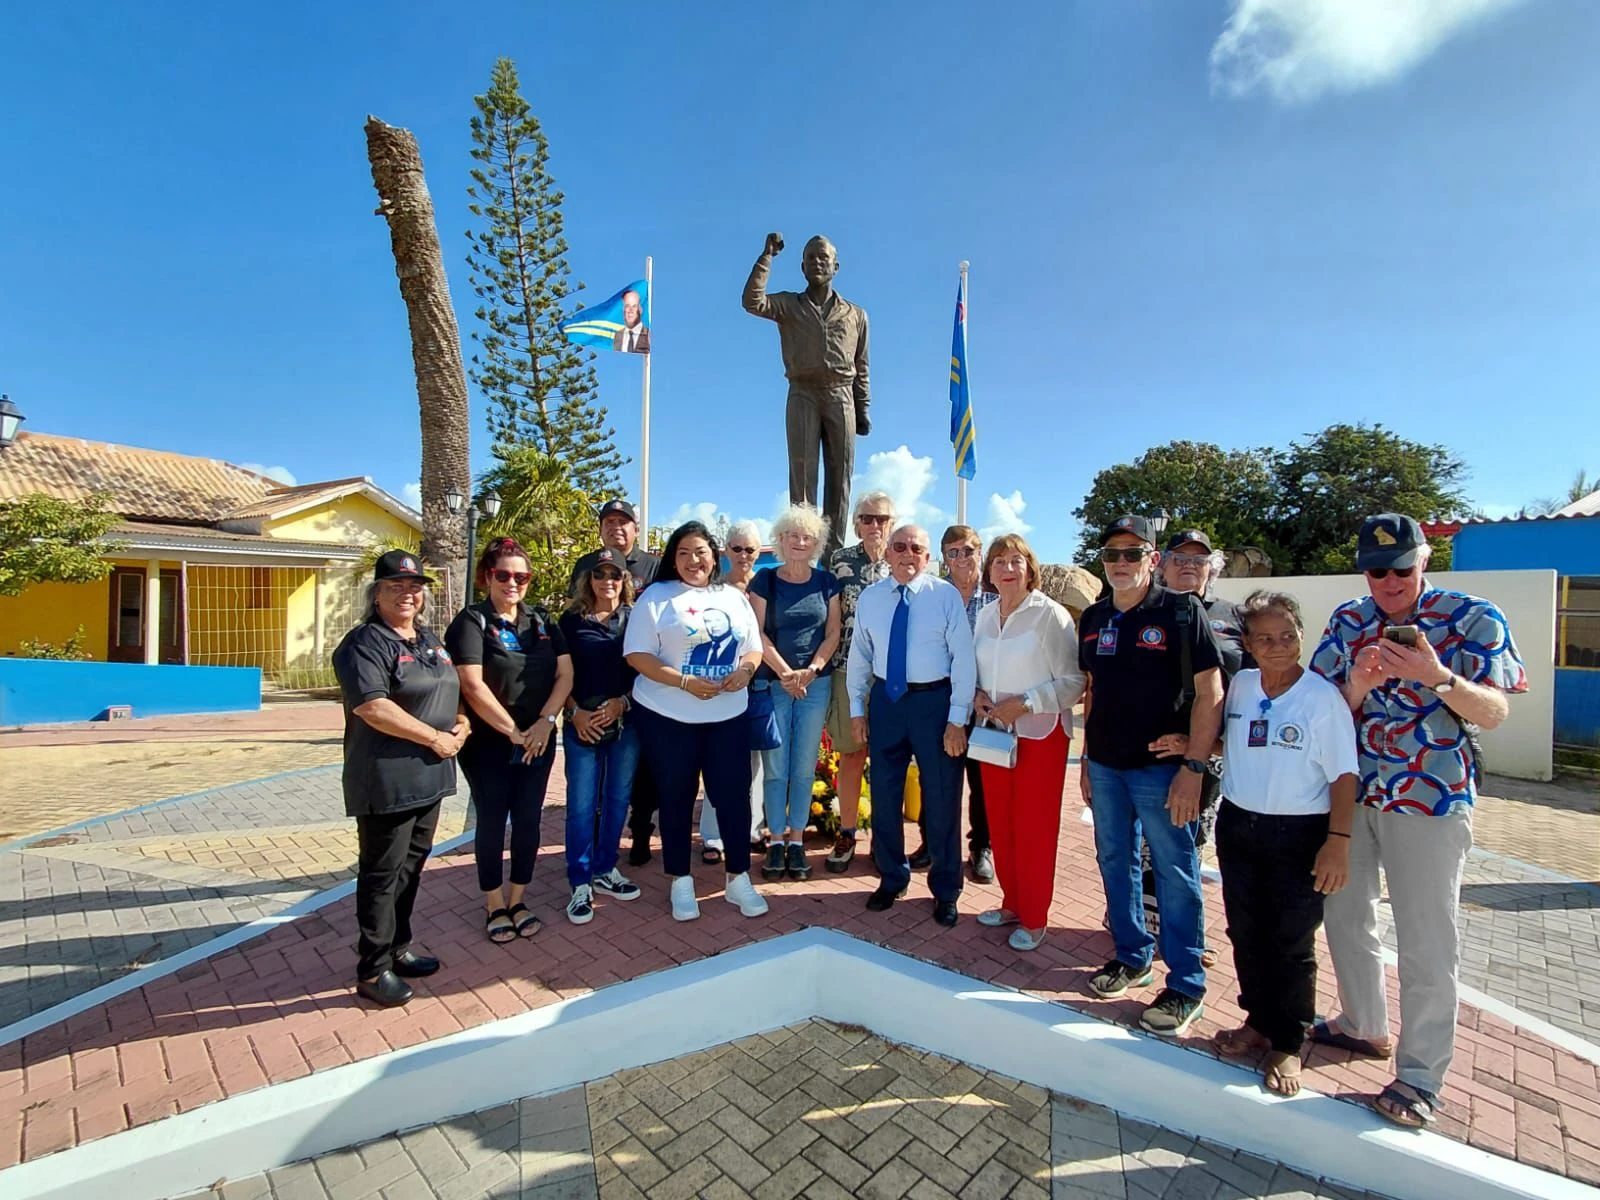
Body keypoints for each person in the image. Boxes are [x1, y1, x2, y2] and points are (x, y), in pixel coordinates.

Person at [1309, 513, 1526, 1128]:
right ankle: (1361, 1023)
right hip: (1355, 797)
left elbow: (1496, 712)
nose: (1389, 580)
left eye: (1401, 567)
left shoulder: (1473, 616)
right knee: (1345, 916)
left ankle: (1421, 1076)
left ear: (1424, 560)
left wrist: (1437, 677)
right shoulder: (1349, 620)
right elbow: (1327, 710)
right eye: (1376, 569)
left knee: (1429, 939)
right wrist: (1355, 685)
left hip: (1431, 802)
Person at [1203, 590, 1358, 1097]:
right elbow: (1235, 740)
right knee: (1245, 931)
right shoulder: (1244, 685)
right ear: (1247, 643)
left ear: (1300, 639)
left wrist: (1337, 841)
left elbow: (1343, 775)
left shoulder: (1321, 698)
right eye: (1265, 638)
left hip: (1299, 834)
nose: (1278, 646)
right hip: (1239, 825)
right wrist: (1192, 746)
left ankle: (1288, 1040)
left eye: (1288, 636)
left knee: (1290, 941)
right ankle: (1258, 1022)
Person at [1077, 514, 1224, 1037]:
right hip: (1107, 767)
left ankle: (1186, 984)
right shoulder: (1094, 618)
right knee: (1115, 860)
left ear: (1152, 560)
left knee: (1174, 869)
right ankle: (1132, 956)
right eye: (1112, 554)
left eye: (1133, 553)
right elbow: (1094, 690)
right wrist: (1089, 761)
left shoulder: (1182, 612)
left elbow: (1211, 693)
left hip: (1162, 772)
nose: (1121, 563)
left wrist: (1194, 767)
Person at [332, 550, 466, 1008]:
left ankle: (398, 948)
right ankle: (372, 969)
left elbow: (449, 687)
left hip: (430, 776)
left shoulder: (428, 639)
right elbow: (372, 706)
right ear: (377, 594)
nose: (408, 594)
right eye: (396, 587)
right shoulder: (364, 643)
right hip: (387, 779)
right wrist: (433, 737)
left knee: (411, 867)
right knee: (382, 873)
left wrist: (462, 723)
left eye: (414, 587)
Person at [623, 521, 770, 922]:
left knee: (733, 797)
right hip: (669, 716)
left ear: (715, 554)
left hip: (727, 714)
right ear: (673, 557)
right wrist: (683, 681)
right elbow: (637, 654)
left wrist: (744, 672)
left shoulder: (732, 597)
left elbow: (753, 647)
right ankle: (680, 881)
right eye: (683, 553)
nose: (693, 560)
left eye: (700, 551)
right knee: (675, 796)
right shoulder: (656, 596)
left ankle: (738, 878)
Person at [847, 523, 976, 927]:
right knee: (884, 795)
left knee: (941, 799)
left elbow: (964, 660)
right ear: (888, 553)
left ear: (927, 556)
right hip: (887, 701)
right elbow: (860, 655)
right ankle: (892, 876)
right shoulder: (871, 599)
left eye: (915, 548)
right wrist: (855, 707)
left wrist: (957, 718)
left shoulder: (945, 597)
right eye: (899, 546)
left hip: (934, 703)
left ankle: (946, 888)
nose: (907, 554)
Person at [446, 538, 573, 944]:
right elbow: (472, 684)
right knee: (491, 821)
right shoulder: (471, 621)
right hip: (490, 743)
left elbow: (565, 675)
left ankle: (518, 898)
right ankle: (493, 903)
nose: (513, 583)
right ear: (488, 576)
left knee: (528, 821)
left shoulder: (541, 620)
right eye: (503, 575)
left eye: (521, 576)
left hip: (538, 739)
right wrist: (513, 731)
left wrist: (544, 722)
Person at [971, 534, 1084, 951]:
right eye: (999, 561)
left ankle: (1035, 918)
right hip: (996, 734)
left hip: (1040, 734)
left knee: (1034, 827)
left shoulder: (1049, 615)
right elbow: (978, 670)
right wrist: (978, 696)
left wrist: (1028, 703)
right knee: (1001, 824)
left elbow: (1074, 682)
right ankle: (1012, 902)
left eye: (1016, 560)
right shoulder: (985, 616)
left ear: (1029, 568)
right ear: (990, 571)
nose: (1007, 568)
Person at [1154, 528, 1252, 966]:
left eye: (1199, 559)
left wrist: (1207, 747)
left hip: (1205, 755)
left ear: (1214, 566)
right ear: (1162, 564)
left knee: (1188, 847)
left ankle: (1185, 936)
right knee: (1144, 848)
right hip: (1149, 750)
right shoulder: (1143, 609)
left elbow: (1251, 687)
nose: (1189, 566)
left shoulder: (1235, 616)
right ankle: (1144, 927)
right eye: (1179, 558)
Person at [742, 232, 871, 555]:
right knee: (802, 475)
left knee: (840, 478)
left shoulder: (856, 314)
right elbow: (752, 301)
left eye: (823, 258)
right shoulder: (788, 304)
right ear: (802, 267)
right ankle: (804, 553)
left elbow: (862, 365)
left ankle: (834, 554)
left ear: (836, 266)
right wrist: (767, 257)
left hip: (841, 395)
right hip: (802, 392)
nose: (817, 263)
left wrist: (863, 408)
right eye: (811, 258)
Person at [749, 505, 842, 881]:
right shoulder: (764, 581)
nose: (800, 542)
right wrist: (787, 673)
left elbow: (832, 633)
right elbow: (757, 633)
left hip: (815, 685)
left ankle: (797, 843)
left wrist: (812, 670)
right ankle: (774, 843)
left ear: (816, 542)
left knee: (803, 768)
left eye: (807, 536)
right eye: (793, 535)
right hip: (775, 684)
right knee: (775, 768)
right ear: (781, 540)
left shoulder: (827, 583)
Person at [568, 498, 661, 865]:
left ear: (636, 528)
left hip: (640, 692)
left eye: (624, 522)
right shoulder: (586, 564)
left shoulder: (654, 565)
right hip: (590, 697)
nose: (616, 527)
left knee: (642, 775)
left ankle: (640, 833)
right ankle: (592, 846)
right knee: (592, 786)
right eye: (609, 521)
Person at [558, 549, 643, 925]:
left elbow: (645, 673)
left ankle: (605, 868)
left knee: (617, 799)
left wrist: (622, 703)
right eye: (600, 574)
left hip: (626, 723)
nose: (607, 581)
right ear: (588, 580)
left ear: (625, 581)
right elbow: (559, 675)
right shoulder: (570, 622)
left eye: (615, 575)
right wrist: (575, 713)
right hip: (582, 723)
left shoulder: (636, 620)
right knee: (580, 803)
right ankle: (579, 881)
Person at [822, 491, 896, 872]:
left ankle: (885, 839)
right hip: (846, 672)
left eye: (881, 519)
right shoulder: (839, 561)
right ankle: (847, 831)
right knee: (851, 756)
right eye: (867, 518)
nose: (874, 526)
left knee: (887, 759)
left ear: (892, 523)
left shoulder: (902, 561)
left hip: (889, 678)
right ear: (856, 524)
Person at [700, 519, 768, 861]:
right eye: (737, 548)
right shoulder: (713, 590)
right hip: (721, 687)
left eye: (750, 549)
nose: (744, 555)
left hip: (759, 686)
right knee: (719, 762)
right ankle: (712, 836)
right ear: (726, 551)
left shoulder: (766, 587)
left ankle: (752, 828)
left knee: (754, 762)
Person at [942, 523, 997, 883]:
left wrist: (978, 692)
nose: (962, 558)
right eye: (954, 552)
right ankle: (935, 845)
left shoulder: (997, 596)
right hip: (944, 702)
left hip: (984, 705)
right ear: (945, 558)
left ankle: (982, 847)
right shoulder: (935, 596)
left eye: (969, 550)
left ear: (981, 553)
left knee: (982, 782)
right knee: (942, 779)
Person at [611, 290, 650, 354]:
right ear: (623, 310)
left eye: (634, 306)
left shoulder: (648, 335)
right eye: (627, 306)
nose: (630, 310)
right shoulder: (618, 336)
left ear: (640, 310)